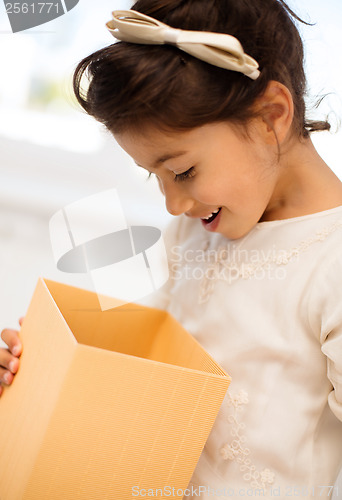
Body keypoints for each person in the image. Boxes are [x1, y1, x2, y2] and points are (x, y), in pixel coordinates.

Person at [1, 0, 342, 497]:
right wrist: (48, 373)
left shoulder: (331, 263)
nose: (174, 203)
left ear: (272, 117)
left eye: (182, 171)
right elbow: (147, 383)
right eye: (154, 177)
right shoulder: (195, 232)